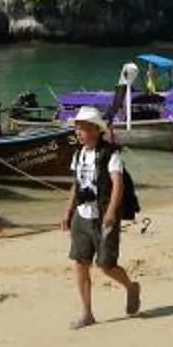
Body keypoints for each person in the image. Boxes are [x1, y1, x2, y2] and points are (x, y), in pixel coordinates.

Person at [62, 108, 140, 326]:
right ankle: (87, 313)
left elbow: (118, 184)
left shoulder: (110, 155)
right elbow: (75, 185)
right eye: (77, 128)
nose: (79, 132)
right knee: (80, 263)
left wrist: (112, 212)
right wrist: (68, 211)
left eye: (83, 128)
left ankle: (131, 287)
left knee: (106, 265)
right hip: (81, 217)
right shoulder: (78, 155)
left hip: (103, 216)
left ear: (96, 130)